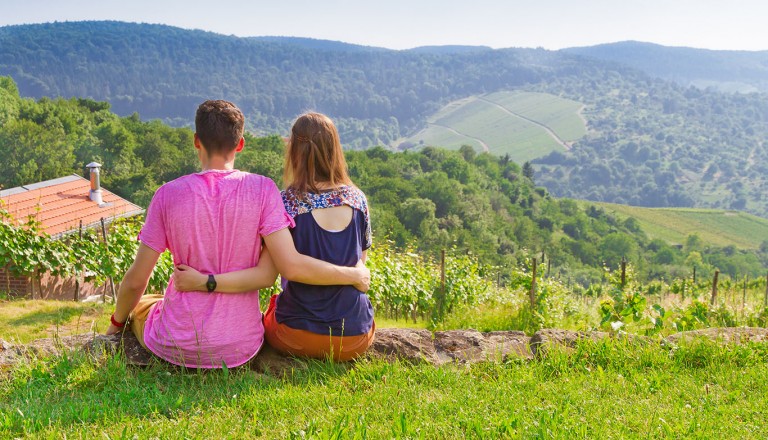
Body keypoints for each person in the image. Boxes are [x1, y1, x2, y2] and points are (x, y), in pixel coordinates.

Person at [105, 101, 369, 369]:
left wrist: (116, 324)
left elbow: (137, 280)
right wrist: (355, 275)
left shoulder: (167, 195)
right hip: (245, 344)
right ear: (240, 144)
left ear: (196, 141)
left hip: (181, 342)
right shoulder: (266, 190)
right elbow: (270, 275)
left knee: (148, 303)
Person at [174, 112, 374, 361]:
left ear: (295, 150)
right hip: (355, 337)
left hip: (297, 335)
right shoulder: (358, 200)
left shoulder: (287, 202)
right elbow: (359, 264)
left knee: (271, 312)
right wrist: (354, 275)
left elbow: (279, 270)